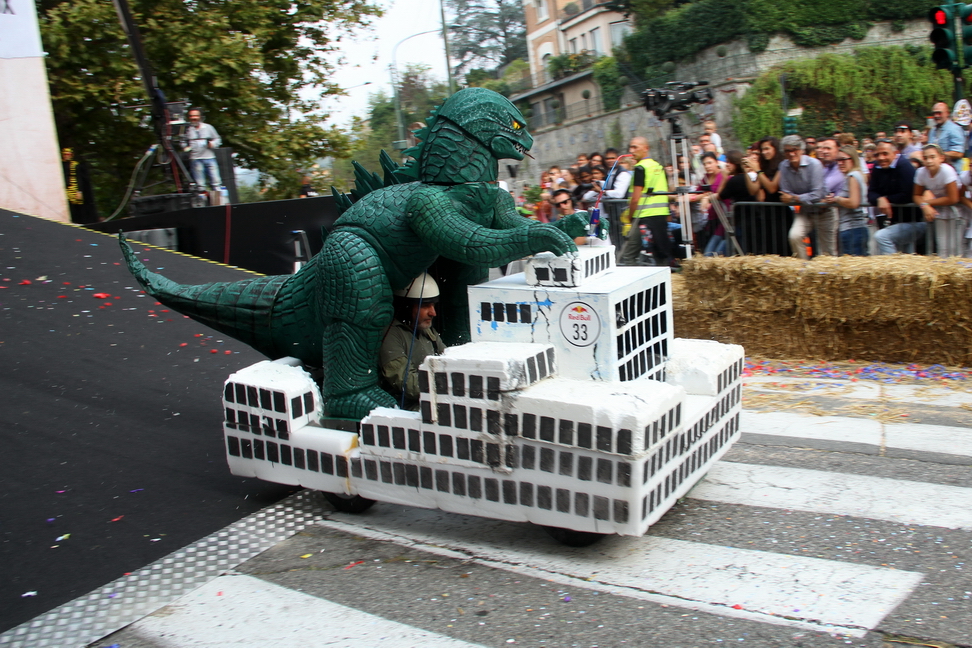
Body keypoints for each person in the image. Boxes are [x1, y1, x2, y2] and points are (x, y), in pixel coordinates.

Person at [379, 273, 446, 411]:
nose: (433, 313)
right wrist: (452, 385)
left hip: (434, 396)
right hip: (408, 406)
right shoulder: (390, 335)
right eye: (426, 306)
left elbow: (449, 358)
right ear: (407, 307)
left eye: (433, 305)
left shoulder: (425, 329)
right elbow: (408, 383)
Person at [621, 136, 670, 266]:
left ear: (646, 148)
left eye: (635, 147)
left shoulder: (640, 168)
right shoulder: (658, 166)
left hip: (642, 217)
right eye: (630, 147)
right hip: (660, 216)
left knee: (628, 255)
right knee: (660, 253)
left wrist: (630, 217)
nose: (631, 150)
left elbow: (635, 199)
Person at [778, 135, 828, 259]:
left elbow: (817, 194)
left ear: (801, 150)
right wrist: (804, 198)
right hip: (805, 211)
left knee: (827, 251)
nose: (791, 153)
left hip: (825, 211)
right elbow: (785, 193)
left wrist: (795, 198)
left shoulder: (814, 164)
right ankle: (803, 269)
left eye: (794, 149)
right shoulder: (783, 166)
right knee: (794, 236)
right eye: (787, 151)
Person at [913, 144, 962, 257]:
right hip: (940, 210)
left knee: (956, 246)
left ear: (941, 158)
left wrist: (927, 203)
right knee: (942, 246)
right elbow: (916, 195)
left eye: (932, 157)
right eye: (925, 158)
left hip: (958, 211)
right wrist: (925, 206)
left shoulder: (947, 170)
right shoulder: (921, 172)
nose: (929, 161)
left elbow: (953, 198)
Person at [705, 150, 757, 256]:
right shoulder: (744, 178)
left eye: (729, 162)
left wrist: (724, 178)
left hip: (741, 221)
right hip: (746, 219)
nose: (727, 165)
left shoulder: (736, 180)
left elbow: (720, 195)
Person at [824, 145, 869, 255]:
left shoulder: (852, 176)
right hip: (855, 229)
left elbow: (854, 203)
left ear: (852, 159)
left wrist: (837, 199)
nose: (840, 163)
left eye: (844, 159)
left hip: (853, 229)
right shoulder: (856, 175)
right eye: (838, 160)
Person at [868, 139, 916, 231]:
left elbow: (908, 194)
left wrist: (886, 199)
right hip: (891, 220)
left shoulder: (904, 166)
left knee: (882, 238)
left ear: (895, 153)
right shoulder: (877, 167)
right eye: (877, 154)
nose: (881, 158)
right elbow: (871, 192)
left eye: (885, 154)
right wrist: (879, 199)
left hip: (910, 219)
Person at [184, 108, 222, 190]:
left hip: (209, 157)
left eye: (196, 115)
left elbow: (218, 139)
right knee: (200, 185)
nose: (194, 118)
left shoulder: (208, 127)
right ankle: (202, 201)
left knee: (216, 182)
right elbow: (182, 141)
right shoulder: (186, 129)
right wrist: (185, 147)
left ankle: (219, 201)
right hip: (195, 159)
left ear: (200, 117)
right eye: (191, 116)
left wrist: (212, 144)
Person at [61, 148, 99, 224]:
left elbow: (79, 178)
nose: (67, 156)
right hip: (65, 189)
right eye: (65, 154)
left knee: (78, 207)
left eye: (68, 154)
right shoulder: (60, 164)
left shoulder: (75, 165)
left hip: (74, 189)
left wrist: (79, 191)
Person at [742, 136, 783, 202]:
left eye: (767, 149)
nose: (764, 152)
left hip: (780, 207)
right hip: (765, 208)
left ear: (775, 149)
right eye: (762, 150)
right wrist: (746, 172)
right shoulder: (764, 166)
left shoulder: (782, 165)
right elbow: (753, 191)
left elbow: (772, 189)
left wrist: (758, 170)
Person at [928, 102, 965, 172]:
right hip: (935, 172)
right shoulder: (932, 131)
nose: (936, 116)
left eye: (939, 113)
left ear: (947, 113)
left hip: (952, 171)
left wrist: (937, 155)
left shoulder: (954, 129)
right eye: (934, 113)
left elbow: (958, 153)